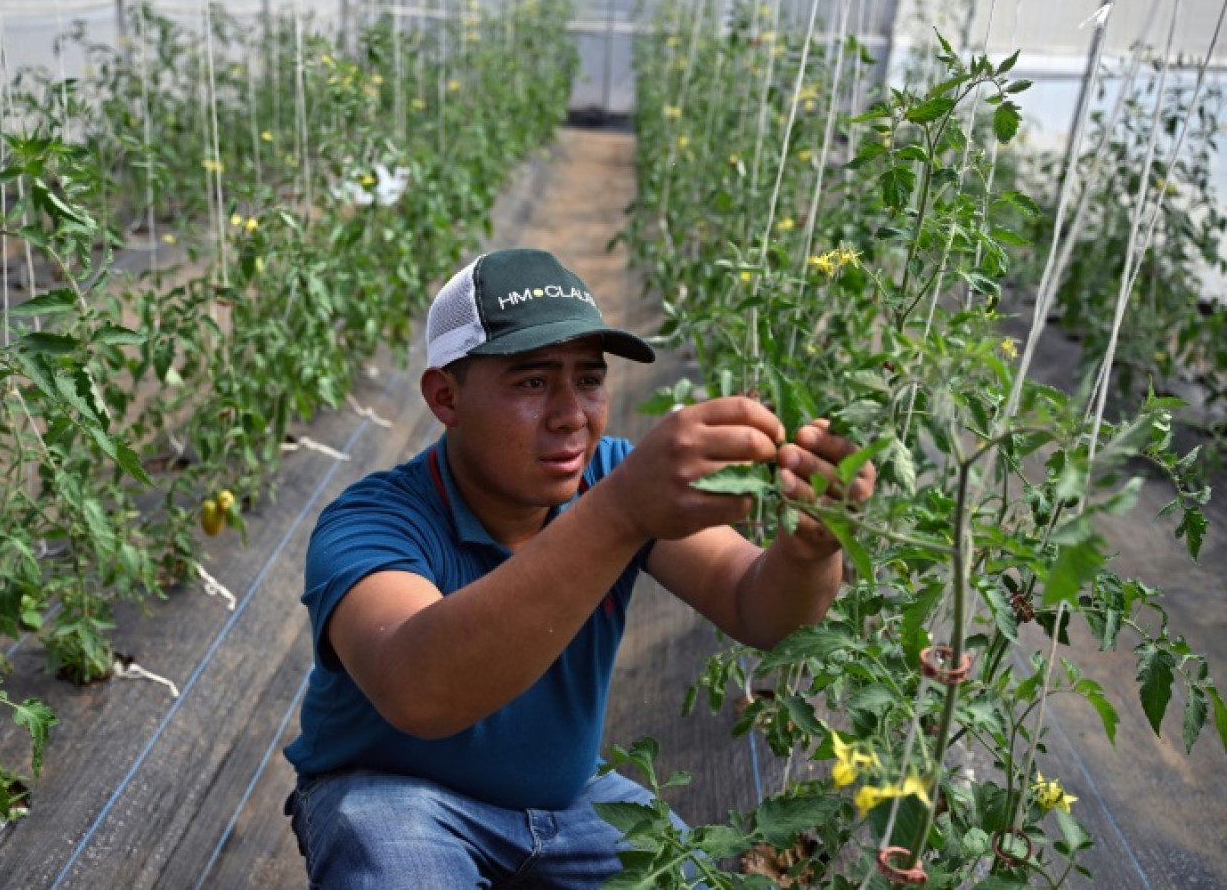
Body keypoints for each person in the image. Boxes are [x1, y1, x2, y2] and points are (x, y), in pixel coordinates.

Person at [283, 248, 875, 888]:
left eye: (589, 380)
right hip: (400, 799)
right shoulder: (374, 521)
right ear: (445, 396)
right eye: (532, 383)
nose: (571, 414)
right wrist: (621, 511)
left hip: (570, 803)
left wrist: (810, 547)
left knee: (692, 878)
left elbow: (757, 607)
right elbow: (419, 691)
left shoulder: (611, 476)